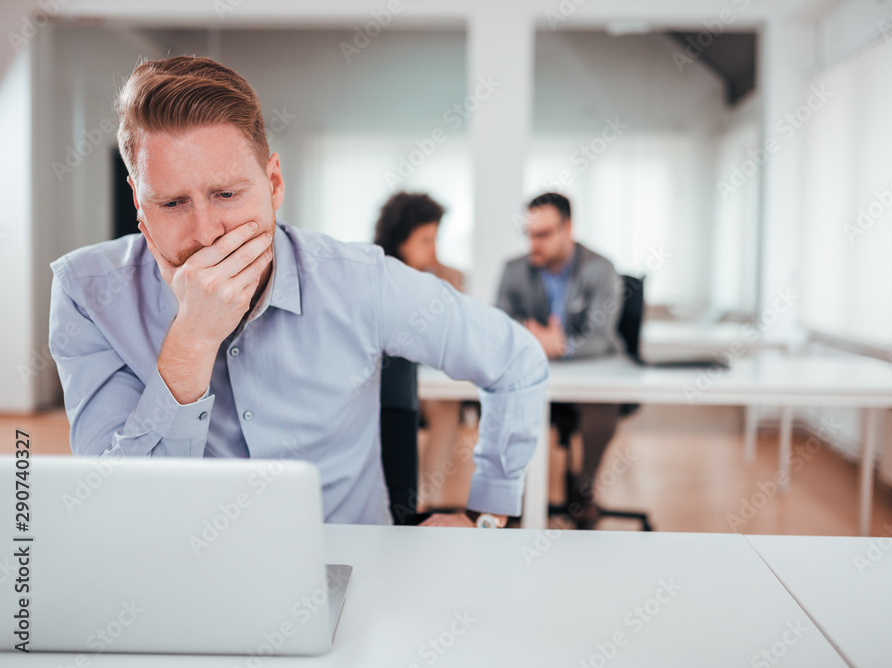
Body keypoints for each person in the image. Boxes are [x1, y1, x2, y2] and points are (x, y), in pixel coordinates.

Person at [47, 56, 548, 530]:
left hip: (351, 568)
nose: (206, 234)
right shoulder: (86, 294)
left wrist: (489, 510)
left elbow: (516, 361)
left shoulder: (359, 281)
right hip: (179, 576)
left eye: (227, 194)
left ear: (274, 182)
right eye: (173, 202)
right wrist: (192, 341)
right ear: (139, 202)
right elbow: (116, 514)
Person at [496, 192, 623, 528]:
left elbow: (603, 336)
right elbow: (499, 326)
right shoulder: (514, 270)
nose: (533, 244)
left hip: (588, 375)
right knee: (505, 401)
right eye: (529, 234)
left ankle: (584, 489)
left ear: (568, 229)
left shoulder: (601, 269)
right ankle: (514, 497)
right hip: (531, 374)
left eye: (543, 235)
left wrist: (562, 346)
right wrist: (532, 337)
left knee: (601, 408)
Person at [373, 192, 467, 510]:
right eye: (426, 240)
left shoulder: (433, 278)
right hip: (387, 381)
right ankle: (414, 498)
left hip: (424, 378)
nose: (434, 250)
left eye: (435, 238)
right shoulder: (378, 275)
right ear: (401, 241)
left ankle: (427, 498)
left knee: (446, 405)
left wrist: (452, 288)